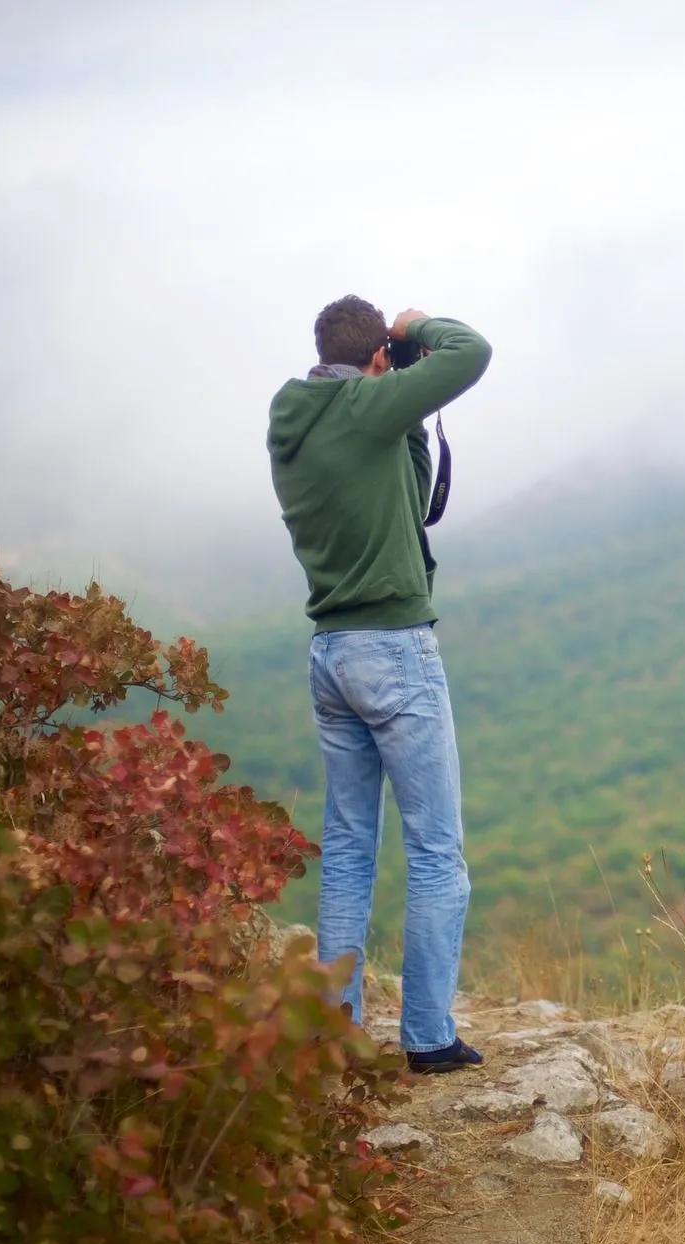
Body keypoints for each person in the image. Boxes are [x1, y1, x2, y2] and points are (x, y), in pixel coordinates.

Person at [266, 295, 492, 1074]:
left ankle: (338, 1029)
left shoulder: (293, 419)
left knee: (351, 846)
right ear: (372, 363)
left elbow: (405, 494)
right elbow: (472, 350)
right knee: (436, 851)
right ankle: (428, 1036)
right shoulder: (365, 406)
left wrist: (407, 405)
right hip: (394, 649)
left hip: (330, 652)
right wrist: (417, 331)